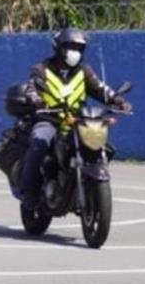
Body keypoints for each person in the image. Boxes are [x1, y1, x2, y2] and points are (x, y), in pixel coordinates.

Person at [20, 28, 132, 210]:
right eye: (70, 46)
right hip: (49, 119)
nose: (74, 52)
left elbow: (101, 89)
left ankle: (87, 185)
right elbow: (31, 89)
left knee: (105, 147)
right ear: (59, 48)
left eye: (79, 48)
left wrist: (118, 101)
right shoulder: (41, 69)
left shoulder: (84, 71)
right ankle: (30, 193)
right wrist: (37, 102)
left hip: (77, 120)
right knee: (38, 145)